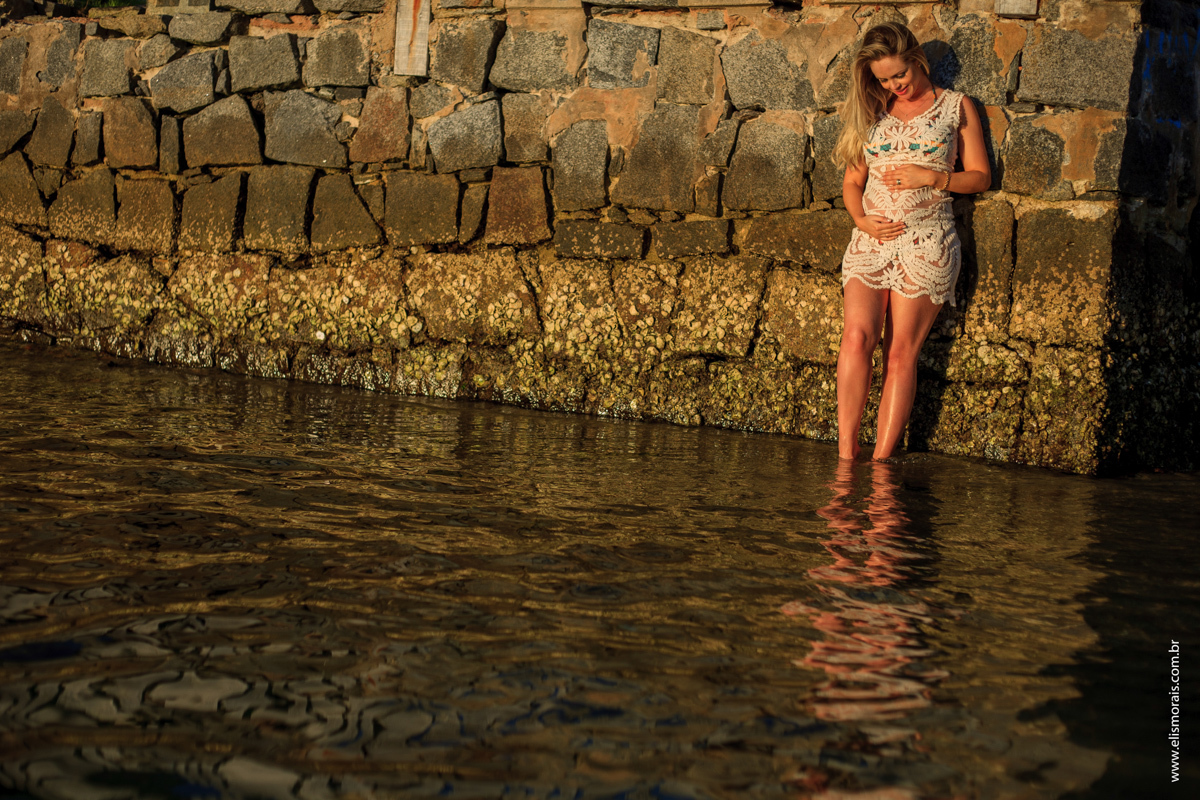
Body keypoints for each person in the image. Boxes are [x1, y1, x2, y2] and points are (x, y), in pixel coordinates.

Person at [833, 22, 991, 460]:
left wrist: (934, 177)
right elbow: (852, 182)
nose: (893, 85)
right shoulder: (873, 110)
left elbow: (980, 177)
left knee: (901, 353)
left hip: (927, 242)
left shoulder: (956, 107)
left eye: (899, 74)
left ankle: (882, 462)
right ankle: (846, 456)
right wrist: (860, 219)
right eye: (883, 79)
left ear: (917, 60)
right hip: (870, 243)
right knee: (856, 338)